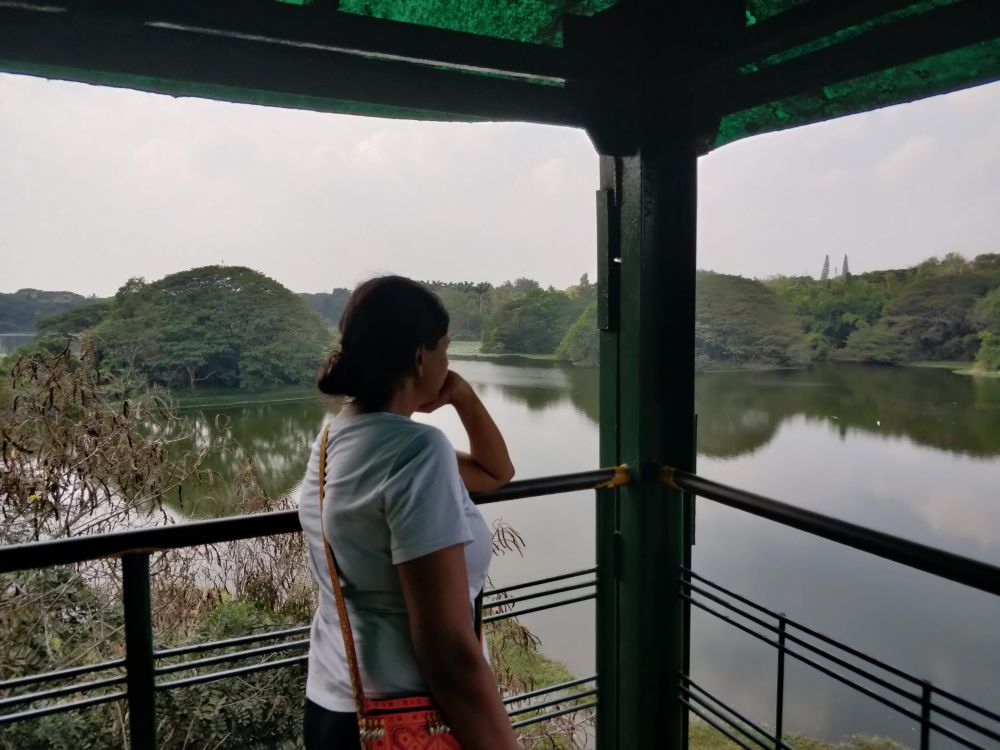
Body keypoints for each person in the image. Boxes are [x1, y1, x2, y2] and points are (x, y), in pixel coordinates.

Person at [298, 275, 520, 750]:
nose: (448, 362)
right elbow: (447, 651)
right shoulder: (416, 450)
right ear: (421, 357)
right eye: (446, 350)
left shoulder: (332, 441)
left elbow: (495, 472)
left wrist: (460, 393)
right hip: (409, 717)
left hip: (336, 705)